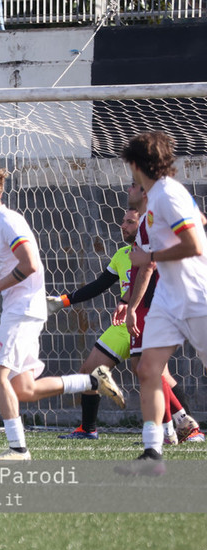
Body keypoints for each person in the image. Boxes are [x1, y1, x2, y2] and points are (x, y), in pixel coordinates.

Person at [0, 165, 124, 461]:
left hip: (22, 310)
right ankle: (92, 381)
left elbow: (30, 264)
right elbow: (15, 267)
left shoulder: (7, 221)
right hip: (22, 309)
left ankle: (18, 449)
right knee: (23, 389)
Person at [49, 199, 202, 442]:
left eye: (130, 222)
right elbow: (99, 285)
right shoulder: (122, 255)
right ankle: (88, 428)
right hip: (124, 325)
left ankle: (186, 429)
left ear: (144, 226)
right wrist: (64, 301)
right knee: (90, 370)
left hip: (150, 319)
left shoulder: (158, 253)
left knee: (157, 374)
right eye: (123, 221)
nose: (123, 226)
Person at [120, 131, 207, 473]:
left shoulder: (168, 194)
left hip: (197, 296)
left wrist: (150, 256)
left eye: (129, 165)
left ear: (137, 165)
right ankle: (152, 453)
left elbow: (194, 244)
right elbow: (200, 221)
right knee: (147, 369)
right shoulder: (157, 197)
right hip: (168, 299)